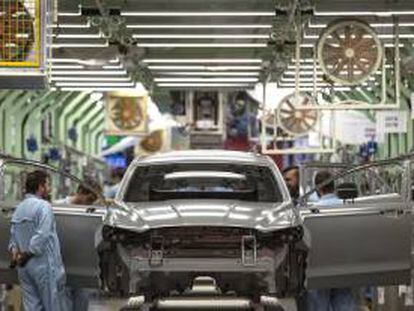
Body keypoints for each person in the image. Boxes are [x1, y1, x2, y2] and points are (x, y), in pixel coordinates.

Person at [9, 170, 68, 311]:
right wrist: (27, 254)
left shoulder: (19, 209)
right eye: (47, 185)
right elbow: (42, 235)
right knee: (53, 306)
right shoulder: (44, 206)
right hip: (44, 267)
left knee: (32, 307)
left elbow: (13, 241)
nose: (48, 189)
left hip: (24, 268)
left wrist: (16, 257)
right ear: (40, 187)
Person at [306, 170, 356, 311]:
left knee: (319, 303)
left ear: (317, 188)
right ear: (333, 186)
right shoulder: (349, 208)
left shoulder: (310, 210)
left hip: (318, 265)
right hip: (345, 263)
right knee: (344, 299)